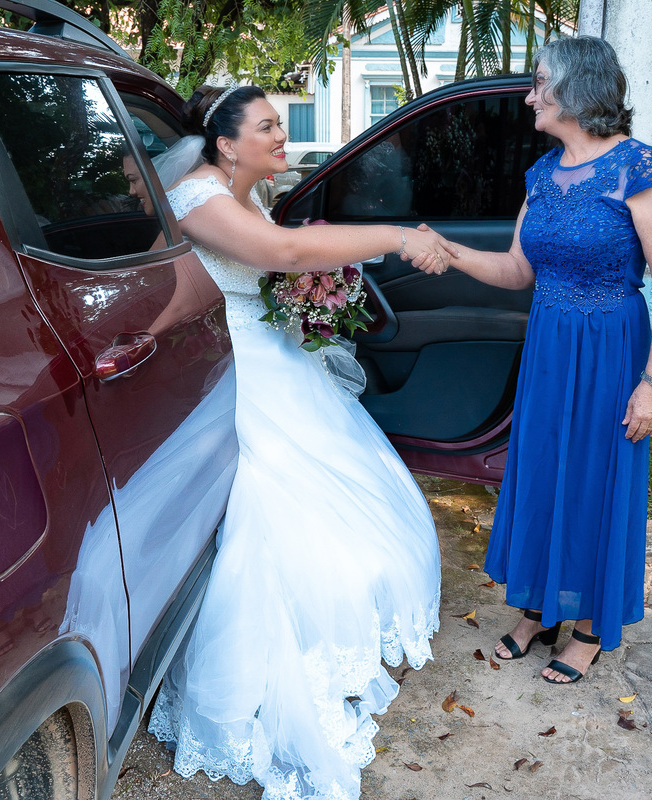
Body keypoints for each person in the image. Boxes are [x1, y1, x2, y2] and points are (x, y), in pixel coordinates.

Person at [145, 84, 453, 799]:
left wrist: (314, 294)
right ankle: (271, 669)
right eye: (268, 128)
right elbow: (282, 251)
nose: (282, 138)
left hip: (272, 358)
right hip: (235, 370)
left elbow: (279, 257)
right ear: (225, 143)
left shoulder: (241, 195)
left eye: (281, 127)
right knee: (276, 519)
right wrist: (396, 237)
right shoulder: (198, 198)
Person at [412, 36, 652, 684]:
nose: (530, 95)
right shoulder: (541, 174)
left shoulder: (637, 168)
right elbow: (515, 269)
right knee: (540, 474)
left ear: (576, 91)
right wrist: (449, 252)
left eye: (540, 84)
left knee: (594, 479)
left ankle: (590, 627)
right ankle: (538, 610)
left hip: (612, 349)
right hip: (549, 347)